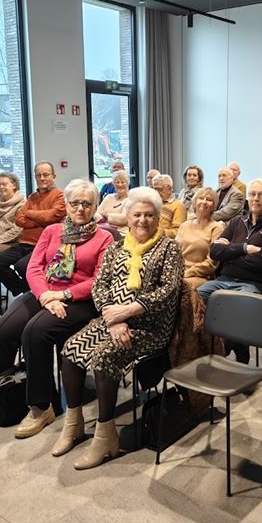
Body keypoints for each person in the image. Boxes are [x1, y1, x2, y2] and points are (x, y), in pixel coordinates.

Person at [0, 180, 113, 441]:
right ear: (67, 206)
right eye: (75, 203)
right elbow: (33, 268)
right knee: (1, 332)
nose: (80, 209)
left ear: (95, 206)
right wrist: (46, 296)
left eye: (87, 203)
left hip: (80, 300)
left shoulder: (103, 237)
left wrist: (63, 294)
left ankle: (41, 407)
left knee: (35, 333)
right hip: (44, 292)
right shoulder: (52, 231)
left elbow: (98, 280)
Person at [57, 187, 183, 468]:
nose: (142, 220)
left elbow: (168, 290)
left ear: (158, 217)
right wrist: (113, 317)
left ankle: (105, 436)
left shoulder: (169, 248)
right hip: (113, 319)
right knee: (69, 350)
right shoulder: (116, 247)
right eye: (137, 214)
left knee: (104, 356)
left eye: (149, 215)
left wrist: (128, 311)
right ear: (127, 217)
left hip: (151, 325)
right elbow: (100, 286)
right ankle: (74, 423)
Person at [198, 179, 262, 362]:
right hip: (224, 280)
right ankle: (211, 347)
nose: (255, 198)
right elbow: (215, 252)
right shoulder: (236, 221)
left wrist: (230, 252)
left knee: (237, 304)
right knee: (194, 297)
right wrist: (245, 249)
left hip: (256, 284)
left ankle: (226, 350)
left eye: (261, 195)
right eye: (252, 194)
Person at [0, 161, 66, 296]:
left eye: (46, 175)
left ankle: (37, 291)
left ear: (54, 176)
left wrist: (29, 213)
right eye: (38, 175)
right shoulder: (32, 197)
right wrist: (40, 221)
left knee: (22, 266)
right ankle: (24, 290)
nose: (42, 178)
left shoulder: (59, 195)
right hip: (25, 243)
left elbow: (50, 217)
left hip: (44, 244)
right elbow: (19, 220)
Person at [175, 188, 224, 288]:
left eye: (209, 200)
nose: (204, 202)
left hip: (201, 275)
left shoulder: (217, 228)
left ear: (214, 206)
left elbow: (212, 263)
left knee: (178, 286)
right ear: (195, 201)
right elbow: (174, 252)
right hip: (178, 271)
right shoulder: (185, 225)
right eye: (201, 198)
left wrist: (188, 272)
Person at [0, 172, 25, 251]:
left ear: (14, 186)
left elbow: (17, 230)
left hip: (8, 243)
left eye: (4, 184)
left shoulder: (22, 205)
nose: (1, 187)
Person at [96, 169, 130, 236]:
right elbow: (96, 214)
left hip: (121, 233)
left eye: (123, 182)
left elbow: (123, 219)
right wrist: (108, 219)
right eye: (117, 182)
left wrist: (106, 216)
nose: (120, 185)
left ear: (127, 183)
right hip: (103, 231)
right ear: (113, 184)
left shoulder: (131, 199)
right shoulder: (109, 197)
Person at [152, 174, 186, 239]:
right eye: (154, 189)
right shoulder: (151, 203)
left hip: (163, 241)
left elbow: (178, 232)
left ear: (170, 189)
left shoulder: (178, 206)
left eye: (160, 189)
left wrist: (157, 232)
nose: (156, 192)